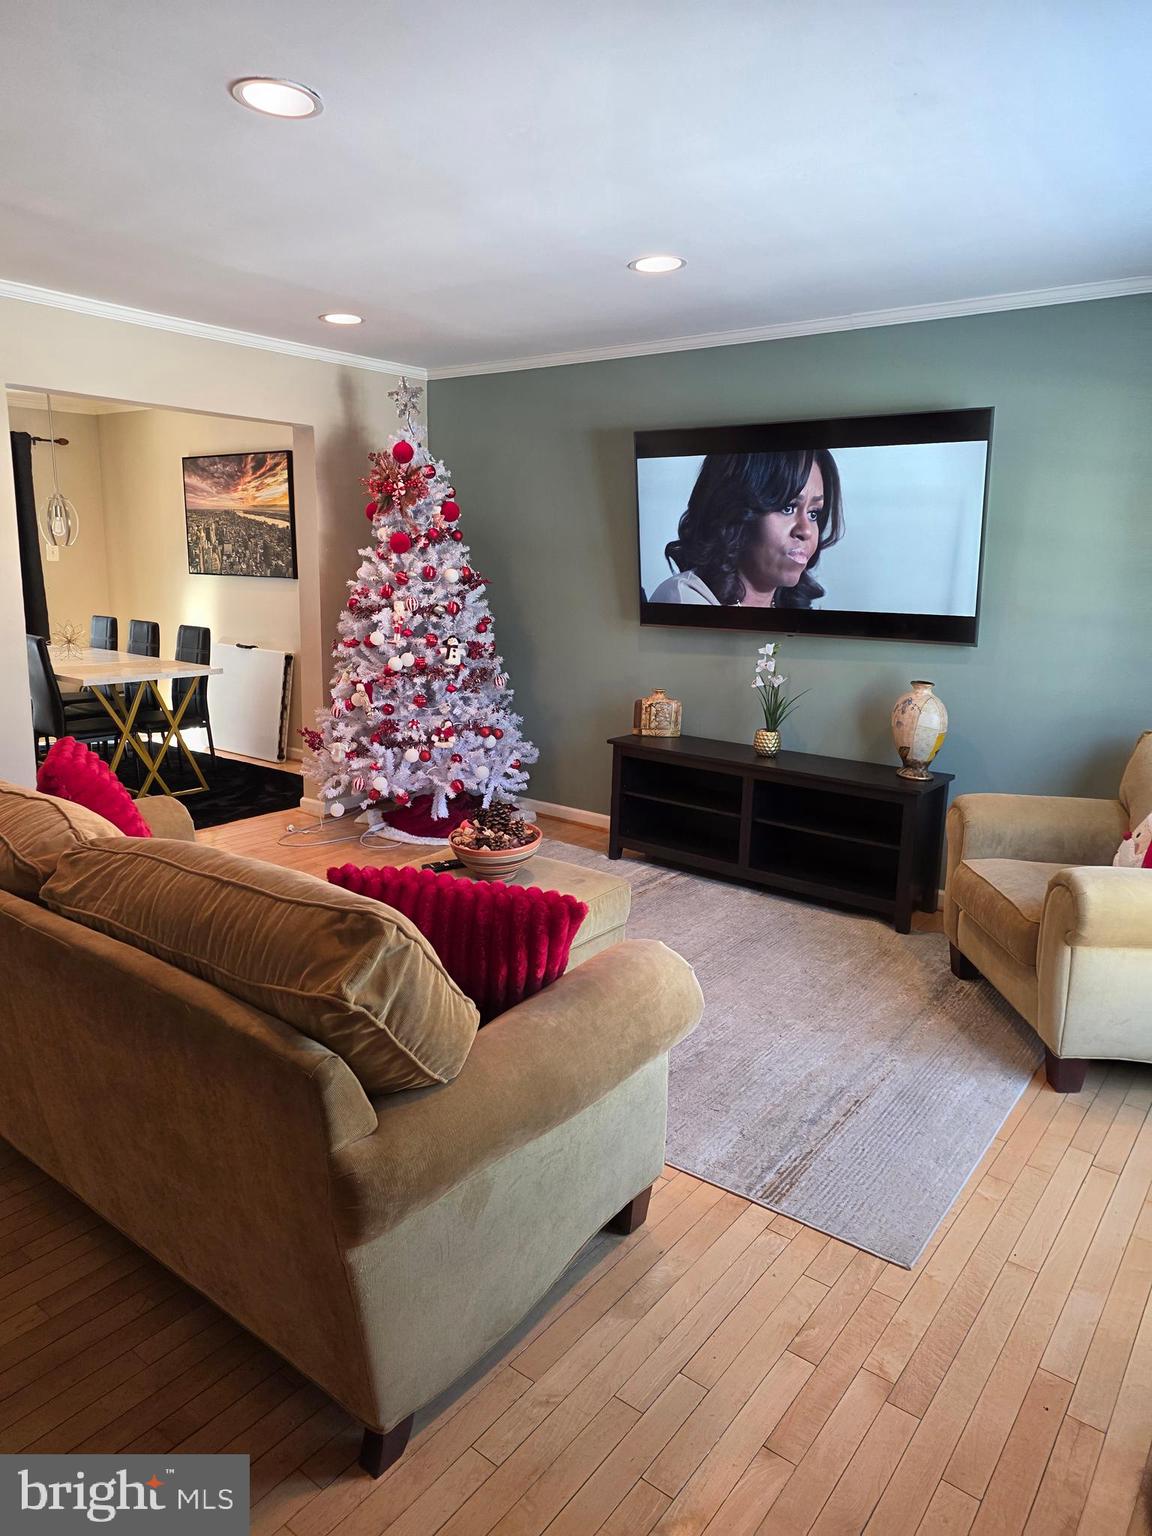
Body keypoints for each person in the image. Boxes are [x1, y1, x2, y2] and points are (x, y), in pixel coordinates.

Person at [649, 449, 844, 608]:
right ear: (735, 511)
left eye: (813, 513)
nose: (806, 531)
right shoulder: (685, 599)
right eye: (787, 508)